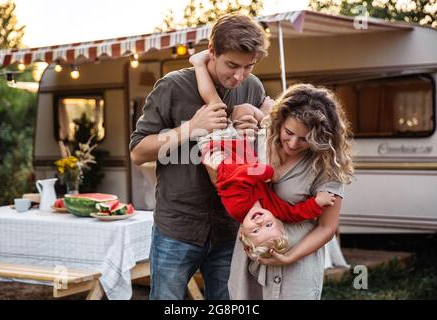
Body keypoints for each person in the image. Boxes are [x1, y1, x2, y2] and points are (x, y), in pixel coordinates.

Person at [129, 14, 269, 300]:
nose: (240, 76)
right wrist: (190, 128)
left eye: (248, 66)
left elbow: (261, 150)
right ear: (212, 51)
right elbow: (138, 151)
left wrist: (254, 127)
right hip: (177, 227)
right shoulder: (172, 86)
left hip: (230, 228)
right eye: (232, 65)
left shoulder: (252, 87)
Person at [189, 52, 336, 260]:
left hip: (218, 149)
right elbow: (292, 214)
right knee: (245, 114)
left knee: (215, 104)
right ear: (276, 221)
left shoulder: (237, 208)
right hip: (241, 150)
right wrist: (317, 203)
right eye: (269, 225)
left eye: (255, 230)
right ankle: (267, 112)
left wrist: (266, 172)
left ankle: (198, 65)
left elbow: (233, 175)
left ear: (242, 232)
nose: (260, 222)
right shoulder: (271, 209)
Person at [227, 83, 355, 300]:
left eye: (305, 139)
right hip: (250, 261)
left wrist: (289, 257)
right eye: (289, 132)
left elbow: (327, 227)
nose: (293, 144)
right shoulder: (260, 138)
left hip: (297, 267)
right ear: (280, 120)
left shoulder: (327, 164)